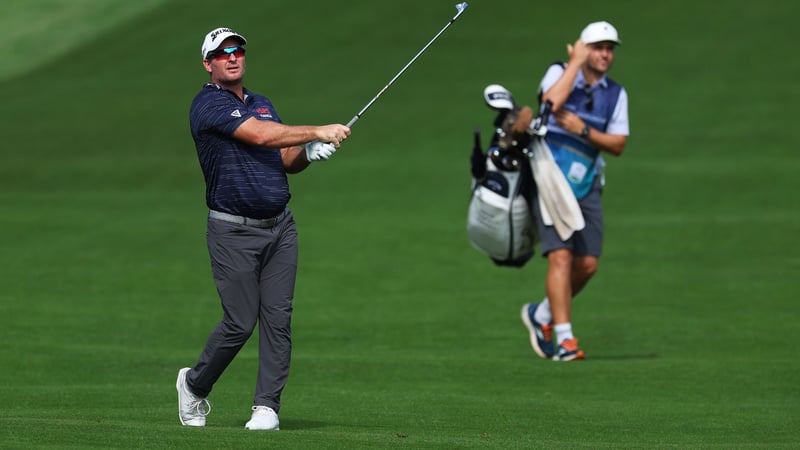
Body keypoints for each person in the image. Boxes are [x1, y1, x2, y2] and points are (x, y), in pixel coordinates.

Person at [176, 27, 351, 430]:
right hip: (232, 230)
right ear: (208, 64)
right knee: (239, 321)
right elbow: (257, 134)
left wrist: (308, 153)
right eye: (222, 54)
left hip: (280, 229)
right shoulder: (207, 105)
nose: (232, 57)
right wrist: (316, 131)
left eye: (237, 50)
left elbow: (284, 158)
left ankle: (266, 406)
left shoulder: (262, 103)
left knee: (278, 317)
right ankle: (194, 384)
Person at [521, 21, 629, 361]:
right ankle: (565, 340)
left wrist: (581, 129)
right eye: (597, 47)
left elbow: (618, 144)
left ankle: (541, 316)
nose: (604, 54)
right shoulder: (559, 72)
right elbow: (549, 102)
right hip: (550, 177)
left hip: (587, 183)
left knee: (588, 264)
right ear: (583, 47)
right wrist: (573, 65)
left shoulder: (616, 94)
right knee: (561, 256)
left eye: (609, 49)